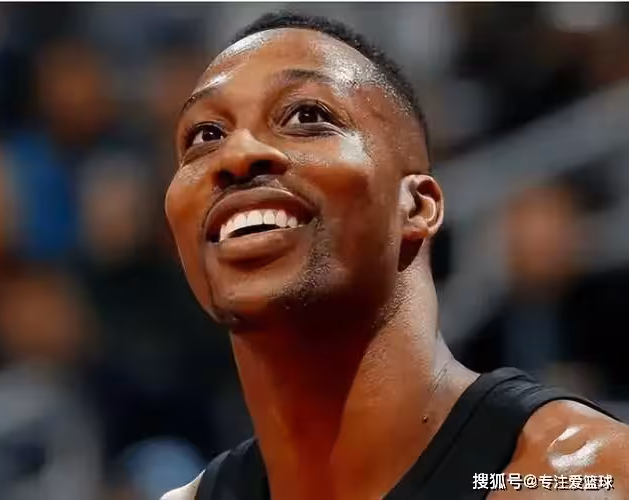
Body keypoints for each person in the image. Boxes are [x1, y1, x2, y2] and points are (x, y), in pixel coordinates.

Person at [161, 11, 629, 500]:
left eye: (306, 116)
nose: (237, 154)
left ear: (417, 206)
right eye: (205, 135)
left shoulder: (585, 479)